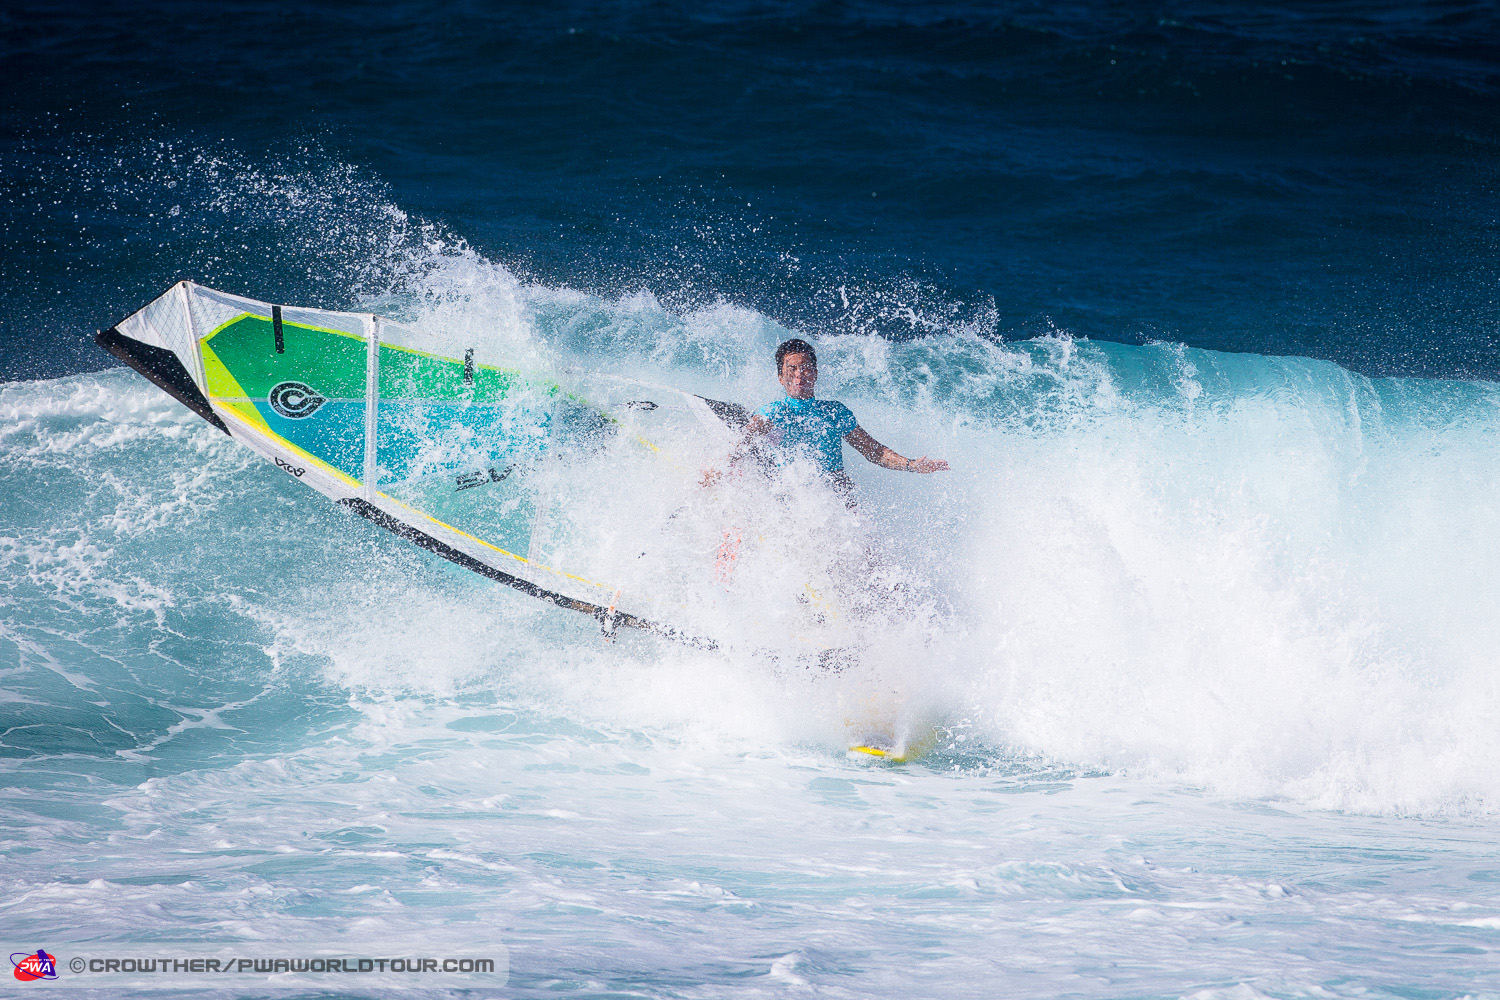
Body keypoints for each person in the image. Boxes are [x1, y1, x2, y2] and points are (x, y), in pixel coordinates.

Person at [703, 338, 949, 496]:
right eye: (792, 369)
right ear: (781, 377)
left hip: (836, 502)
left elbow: (874, 451)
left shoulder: (835, 412)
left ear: (816, 374)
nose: (800, 374)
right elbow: (742, 442)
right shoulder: (772, 412)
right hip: (795, 500)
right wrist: (715, 473)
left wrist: (911, 465)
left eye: (806, 368)